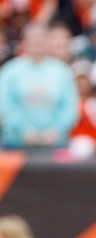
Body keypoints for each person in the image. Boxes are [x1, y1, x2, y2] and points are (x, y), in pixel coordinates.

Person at [0, 22, 79, 150]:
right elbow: (5, 106)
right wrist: (23, 130)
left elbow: (69, 106)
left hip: (55, 143)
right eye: (33, 38)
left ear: (48, 42)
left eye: (42, 38)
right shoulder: (10, 71)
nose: (38, 42)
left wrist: (56, 130)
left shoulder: (62, 71)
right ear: (24, 42)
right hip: (16, 144)